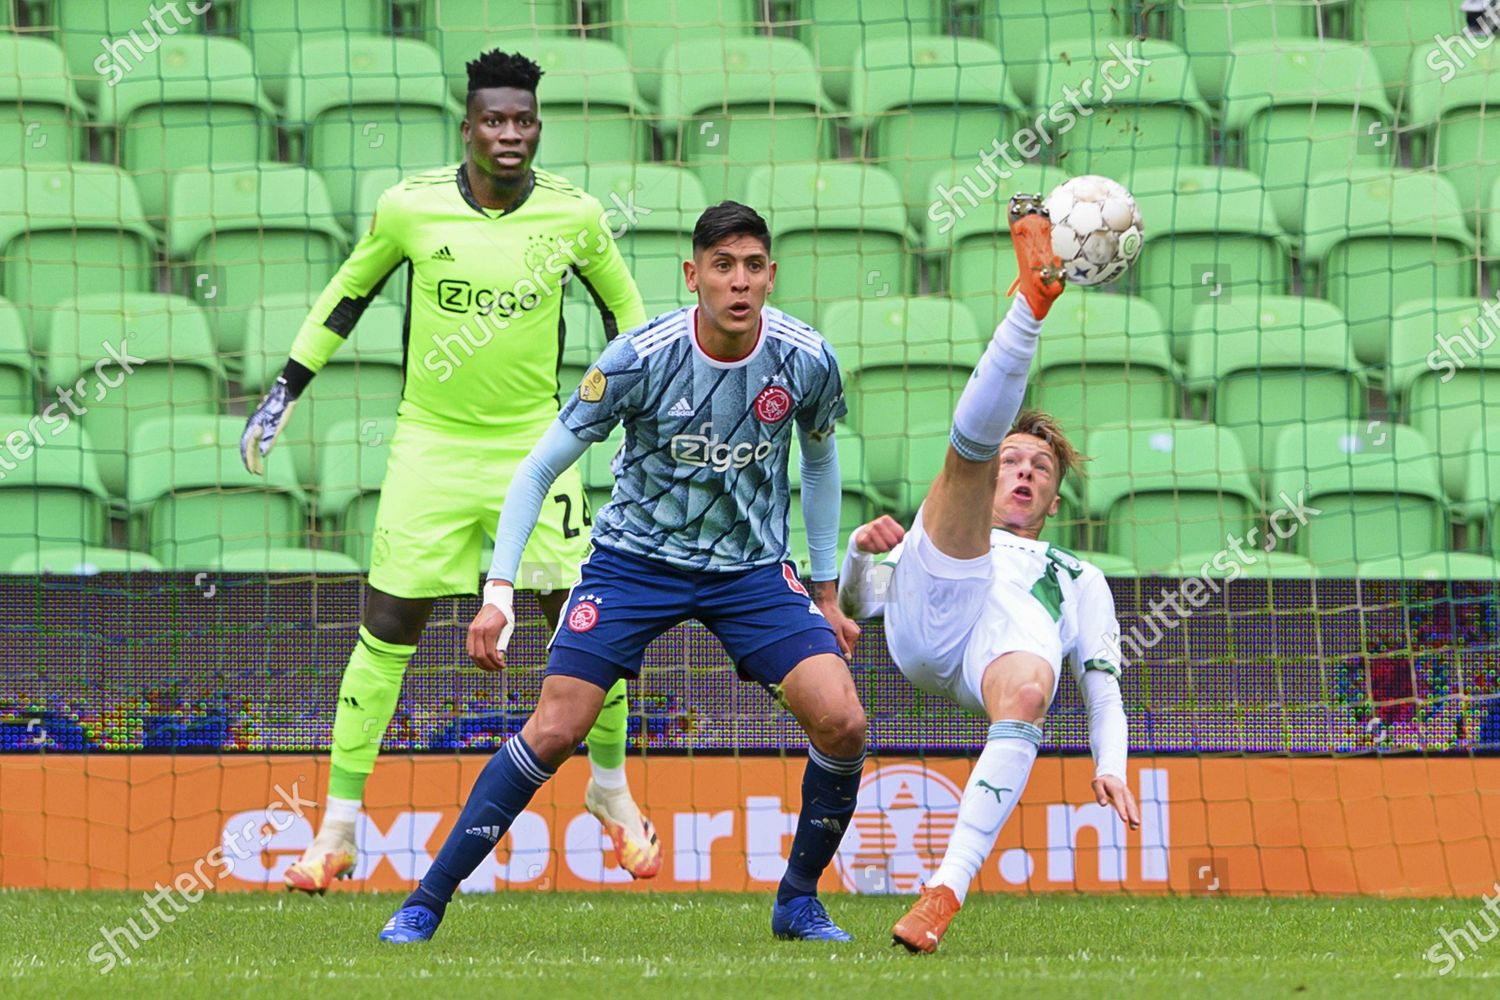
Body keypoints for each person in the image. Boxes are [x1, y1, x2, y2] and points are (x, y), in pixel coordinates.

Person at [378, 201, 870, 944]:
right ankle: (425, 901)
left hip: (751, 571)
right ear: (693, 275)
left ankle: (798, 901)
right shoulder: (640, 357)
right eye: (721, 266)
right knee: (556, 726)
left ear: (771, 275)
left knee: (844, 720)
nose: (738, 282)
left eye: (752, 266)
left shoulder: (805, 359)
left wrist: (827, 591)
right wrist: (499, 591)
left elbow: (823, 457)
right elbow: (539, 467)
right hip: (633, 564)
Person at [238, 50, 661, 893]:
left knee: (588, 628)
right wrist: (285, 389)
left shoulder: (575, 217)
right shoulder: (410, 209)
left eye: (524, 121)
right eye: (494, 120)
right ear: (467, 128)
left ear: (537, 128)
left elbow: (630, 316)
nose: (510, 134)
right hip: (428, 448)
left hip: (540, 451)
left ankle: (610, 793)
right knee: (385, 630)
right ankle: (337, 834)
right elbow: (346, 296)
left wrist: (637, 410)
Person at [837, 194, 1140, 954]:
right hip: (931, 612)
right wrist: (857, 554)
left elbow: (1101, 685)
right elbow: (860, 607)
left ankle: (943, 891)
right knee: (959, 468)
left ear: (1055, 496)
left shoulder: (1080, 576)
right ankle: (1030, 307)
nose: (1026, 473)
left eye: (1040, 467)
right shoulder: (952, 516)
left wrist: (1112, 765)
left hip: (994, 659)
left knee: (1036, 688)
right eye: (1015, 461)